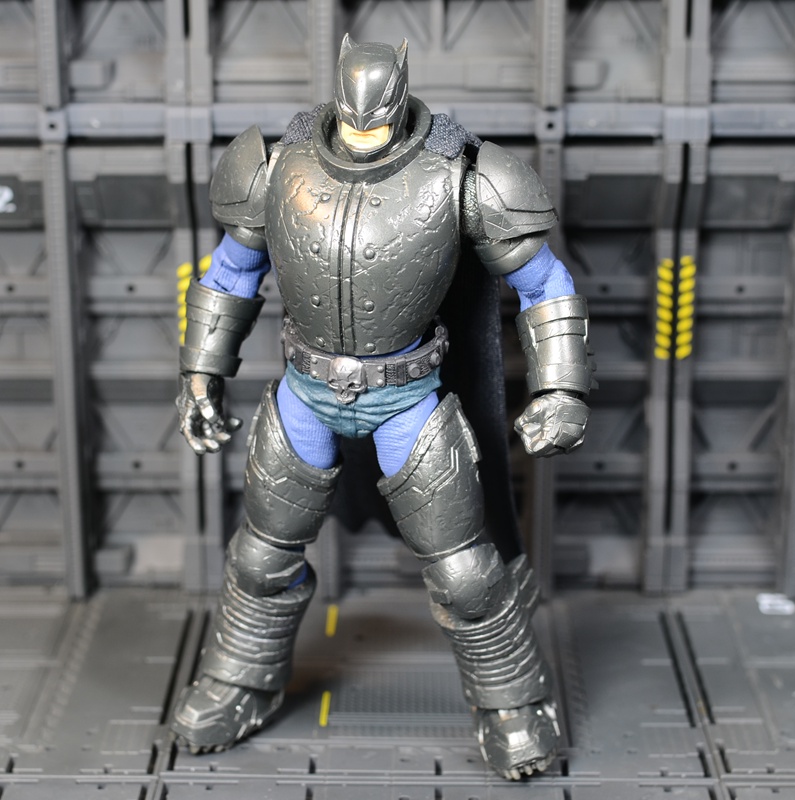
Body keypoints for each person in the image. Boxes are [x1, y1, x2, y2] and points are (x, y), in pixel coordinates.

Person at [171, 35, 593, 780]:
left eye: (379, 122)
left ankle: (513, 706)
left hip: (405, 400)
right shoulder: (278, 167)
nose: (365, 134)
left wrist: (561, 388)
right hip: (305, 395)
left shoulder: (466, 174)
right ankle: (240, 682)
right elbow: (231, 271)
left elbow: (544, 283)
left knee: (465, 574)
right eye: (354, 120)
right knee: (261, 555)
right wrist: (201, 372)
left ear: (400, 100)